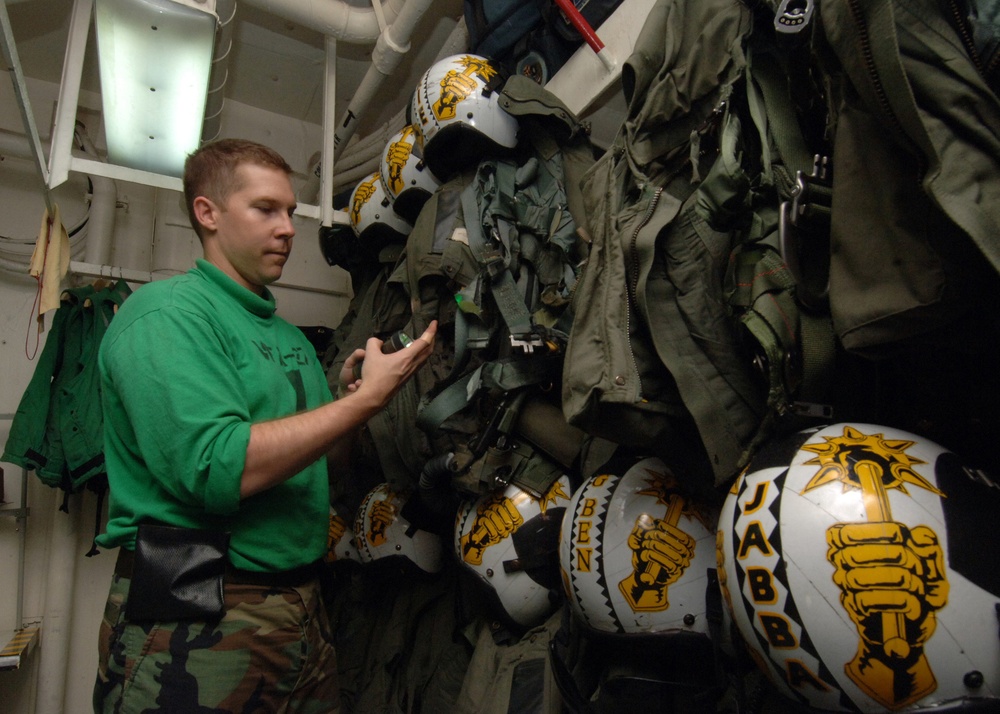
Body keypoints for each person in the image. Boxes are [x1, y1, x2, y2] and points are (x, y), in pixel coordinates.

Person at [91, 138, 436, 713]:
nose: (288, 229)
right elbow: (215, 468)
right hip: (200, 618)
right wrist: (364, 403)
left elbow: (325, 472)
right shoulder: (169, 315)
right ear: (208, 213)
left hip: (301, 608)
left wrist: (344, 405)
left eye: (291, 213)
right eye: (266, 209)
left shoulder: (290, 339)